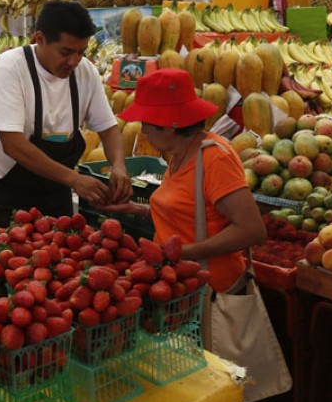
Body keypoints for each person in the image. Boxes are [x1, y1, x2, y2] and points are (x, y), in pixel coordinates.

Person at [101, 68, 266, 293]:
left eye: (146, 122)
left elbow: (252, 230)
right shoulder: (180, 152)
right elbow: (186, 214)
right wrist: (137, 209)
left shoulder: (215, 159)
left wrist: (183, 252)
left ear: (169, 124)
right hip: (180, 284)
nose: (143, 130)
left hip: (212, 292)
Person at [0, 0, 132, 239]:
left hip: (56, 195)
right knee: (6, 268)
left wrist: (119, 167)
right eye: (65, 52)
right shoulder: (10, 68)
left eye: (81, 52)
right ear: (39, 39)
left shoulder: (85, 72)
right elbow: (12, 144)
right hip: (11, 198)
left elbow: (109, 128)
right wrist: (73, 178)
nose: (74, 61)